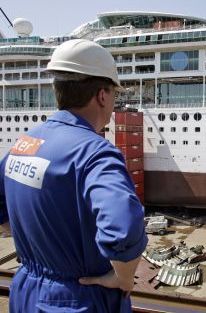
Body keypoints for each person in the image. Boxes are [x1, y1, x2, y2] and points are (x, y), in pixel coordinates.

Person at [0, 39, 148, 312]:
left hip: (25, 293)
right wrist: (122, 277)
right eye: (114, 94)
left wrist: (42, 244)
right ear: (102, 95)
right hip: (78, 300)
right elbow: (124, 227)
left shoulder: (24, 144)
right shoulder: (95, 152)